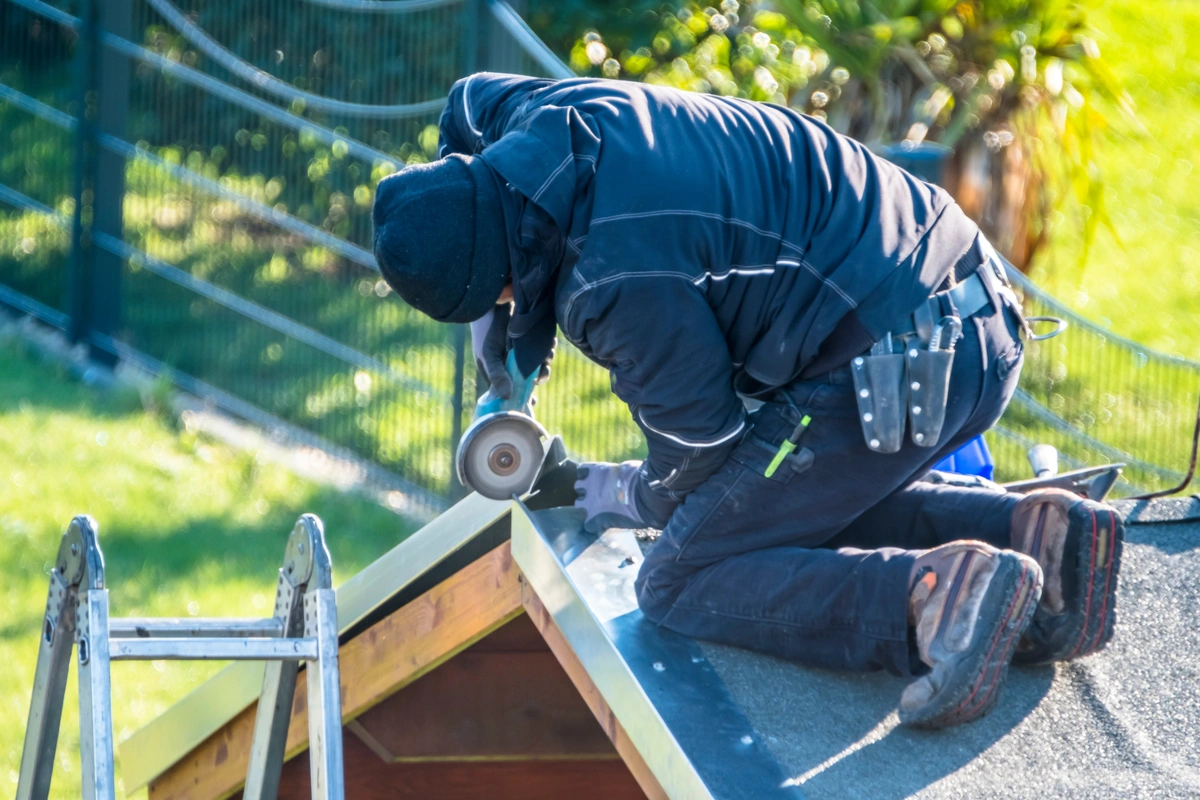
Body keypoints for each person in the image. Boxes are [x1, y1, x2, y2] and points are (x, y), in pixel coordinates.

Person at [372, 73, 1123, 729]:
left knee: (680, 576)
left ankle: (936, 597)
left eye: (498, 297)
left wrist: (611, 489)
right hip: (971, 303)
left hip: (900, 360)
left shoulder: (612, 286)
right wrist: (505, 367)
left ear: (501, 271)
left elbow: (701, 457)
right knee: (779, 507)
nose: (506, 308)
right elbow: (463, 116)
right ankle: (1044, 539)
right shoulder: (539, 116)